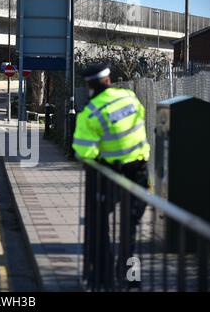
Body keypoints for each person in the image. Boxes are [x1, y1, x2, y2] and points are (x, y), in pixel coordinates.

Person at [73, 63, 150, 289]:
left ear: (89, 85)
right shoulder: (129, 97)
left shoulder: (91, 112)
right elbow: (141, 120)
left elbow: (83, 152)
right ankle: (130, 278)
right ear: (108, 79)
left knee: (98, 225)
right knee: (131, 227)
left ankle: (101, 276)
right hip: (139, 170)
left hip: (108, 174)